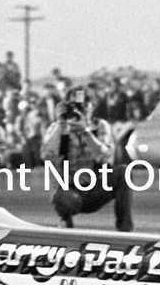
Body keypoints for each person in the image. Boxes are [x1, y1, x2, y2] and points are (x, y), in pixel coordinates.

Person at [41, 87, 134, 231]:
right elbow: (46, 155)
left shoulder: (100, 126)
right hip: (69, 190)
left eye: (85, 104)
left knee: (124, 172)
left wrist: (86, 132)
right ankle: (65, 222)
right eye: (75, 105)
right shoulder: (58, 128)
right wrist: (61, 124)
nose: (80, 109)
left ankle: (124, 229)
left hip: (95, 187)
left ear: (93, 105)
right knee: (62, 197)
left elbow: (105, 157)